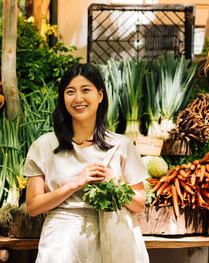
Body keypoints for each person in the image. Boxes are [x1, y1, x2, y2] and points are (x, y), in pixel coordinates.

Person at [24, 63, 149, 262]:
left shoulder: (122, 146)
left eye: (86, 90)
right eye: (70, 91)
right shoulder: (44, 146)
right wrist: (76, 183)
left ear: (100, 96)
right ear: (63, 98)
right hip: (61, 240)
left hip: (112, 237)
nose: (78, 98)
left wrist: (114, 182)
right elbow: (33, 206)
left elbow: (139, 204)